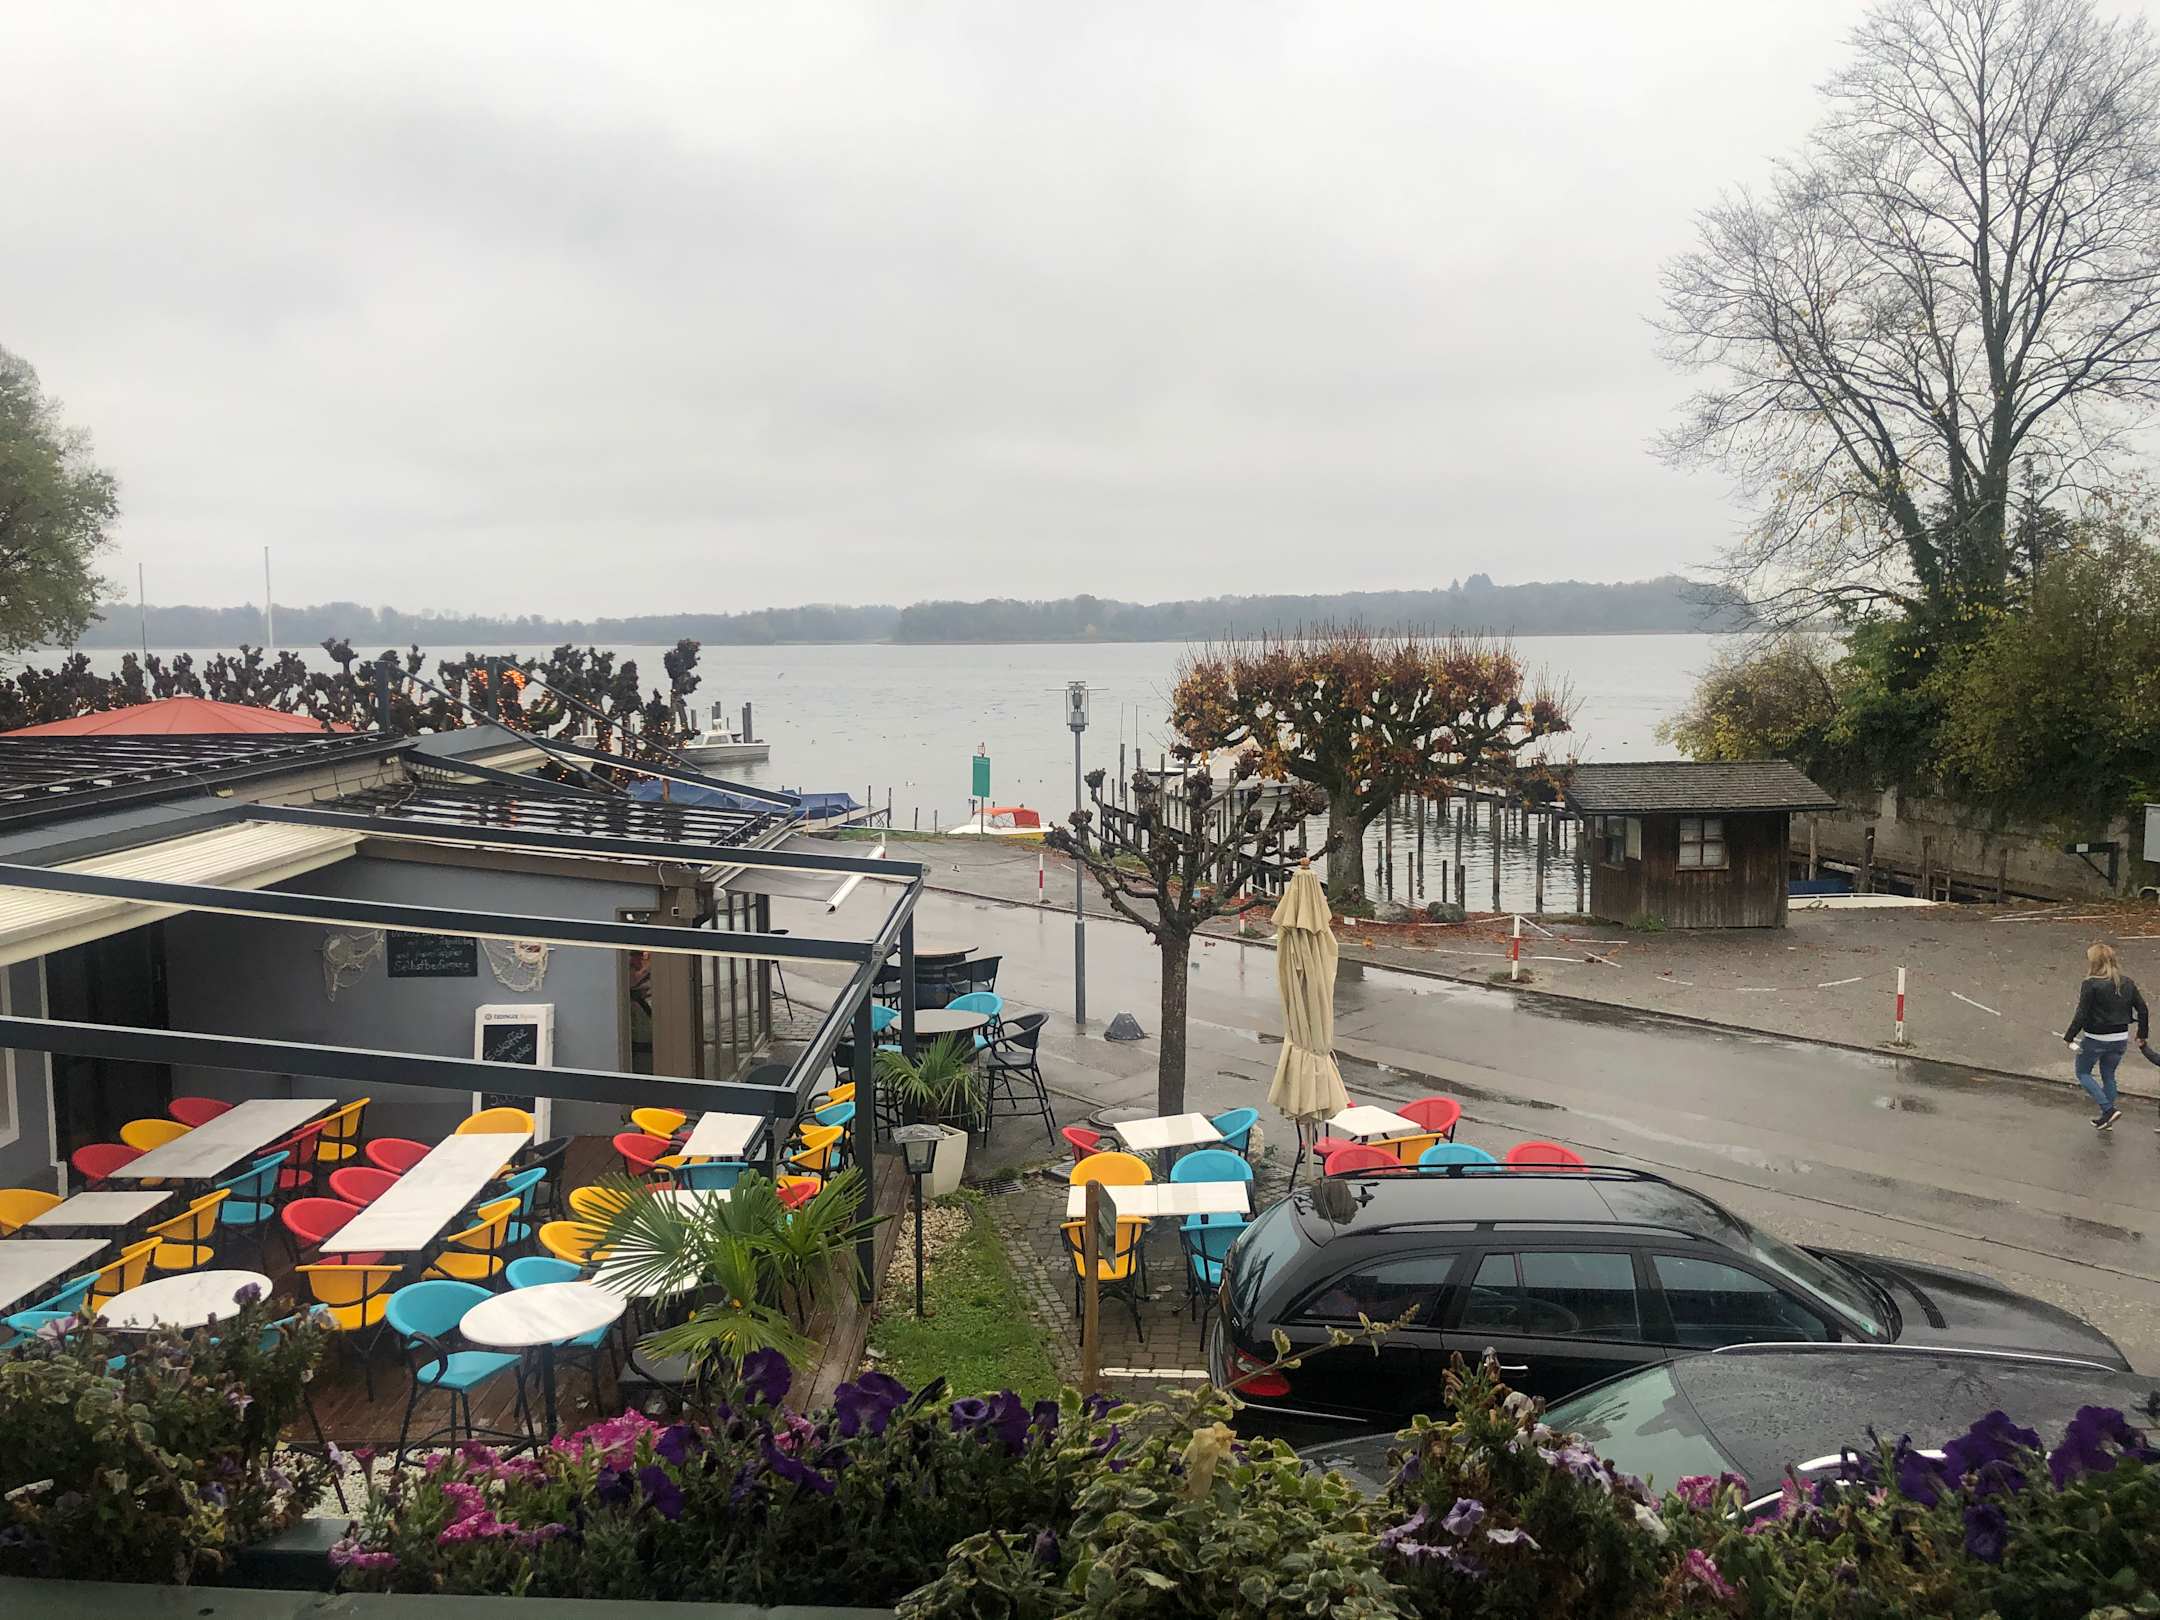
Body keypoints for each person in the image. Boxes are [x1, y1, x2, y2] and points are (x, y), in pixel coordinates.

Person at [2062, 942, 2148, 1130]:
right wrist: (2142, 1034)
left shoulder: (2090, 984)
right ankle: (2106, 1119)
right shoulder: (2126, 982)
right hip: (2120, 1037)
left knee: (2083, 1072)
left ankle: (2108, 1110)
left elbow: (2082, 1014)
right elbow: (2142, 1009)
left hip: (2096, 1038)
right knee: (2108, 1075)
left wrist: (2069, 1037)